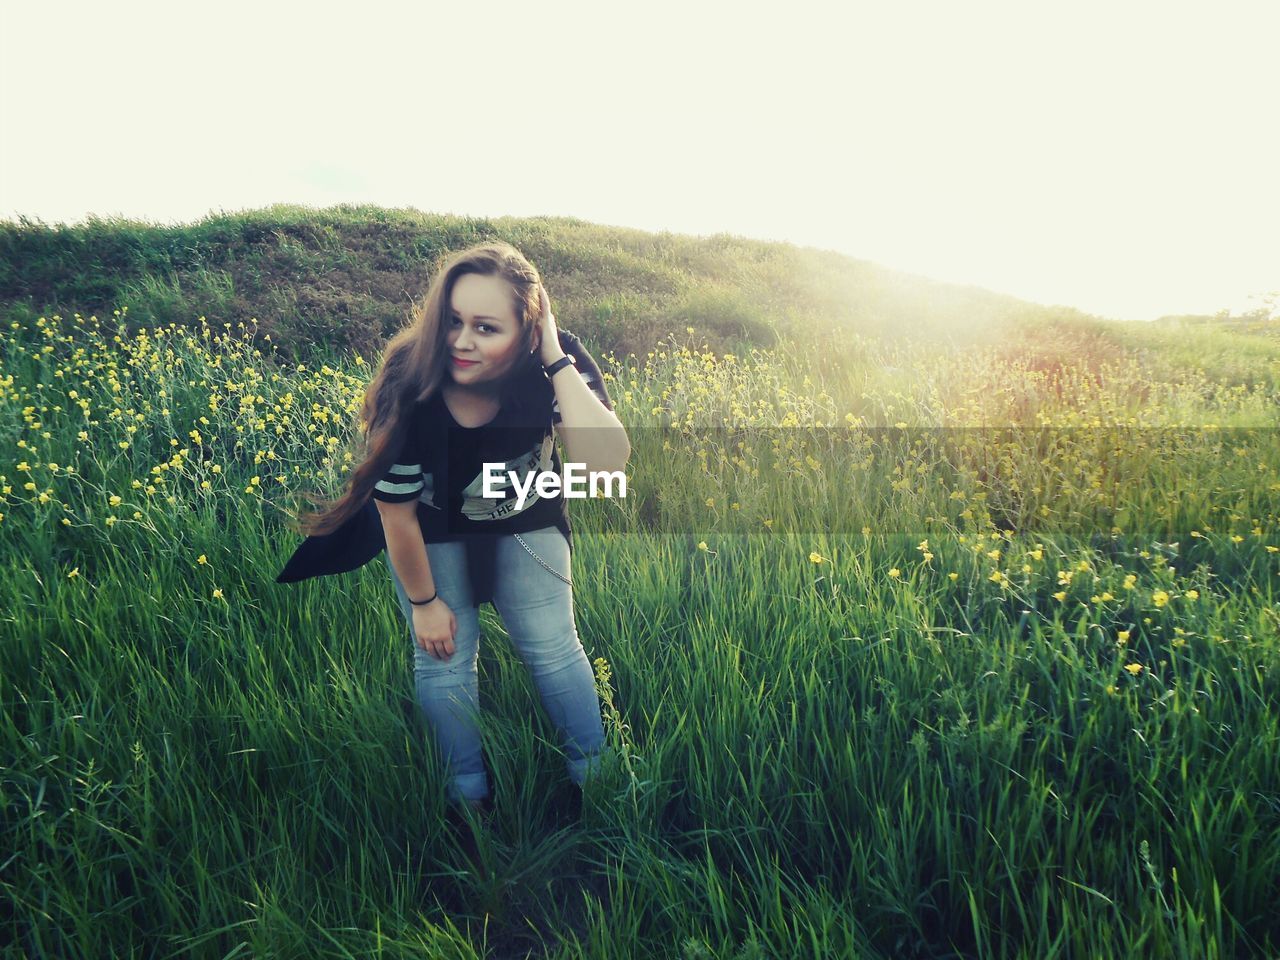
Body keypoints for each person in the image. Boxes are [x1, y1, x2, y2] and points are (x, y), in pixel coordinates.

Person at [277, 241, 630, 819]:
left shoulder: (553, 362)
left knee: (553, 647)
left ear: (529, 325)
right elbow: (396, 513)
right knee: (442, 658)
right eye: (454, 322)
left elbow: (607, 460)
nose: (463, 342)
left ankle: (598, 779)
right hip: (429, 528)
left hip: (525, 518)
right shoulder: (411, 379)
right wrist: (424, 603)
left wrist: (555, 357)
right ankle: (467, 800)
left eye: (487, 327)